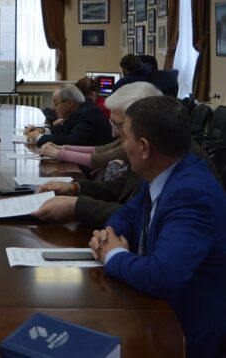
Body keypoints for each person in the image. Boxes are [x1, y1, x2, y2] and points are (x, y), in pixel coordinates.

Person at [89, 96, 226, 357]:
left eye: (124, 136)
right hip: (153, 308)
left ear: (144, 147)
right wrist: (109, 236)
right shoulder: (164, 171)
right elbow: (127, 214)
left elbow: (161, 276)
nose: (121, 143)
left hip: (183, 332)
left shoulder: (192, 194)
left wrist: (112, 253)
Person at [38, 82, 162, 171]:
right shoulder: (129, 138)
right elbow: (102, 149)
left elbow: (102, 158)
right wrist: (63, 148)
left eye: (118, 124)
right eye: (112, 123)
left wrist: (59, 153)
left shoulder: (135, 144)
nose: (113, 133)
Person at [24, 83, 112, 147]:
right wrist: (42, 130)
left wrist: (39, 137)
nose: (53, 108)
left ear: (69, 103)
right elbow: (65, 128)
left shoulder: (84, 113)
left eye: (56, 104)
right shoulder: (81, 108)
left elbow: (73, 141)